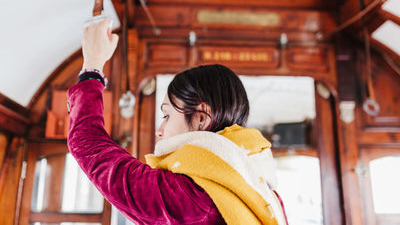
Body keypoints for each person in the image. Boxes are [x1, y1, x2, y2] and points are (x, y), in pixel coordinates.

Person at [67, 19, 288, 225]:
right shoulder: (266, 194)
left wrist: (92, 67)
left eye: (167, 116)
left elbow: (88, 145)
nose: (159, 131)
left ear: (201, 118)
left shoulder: (191, 198)